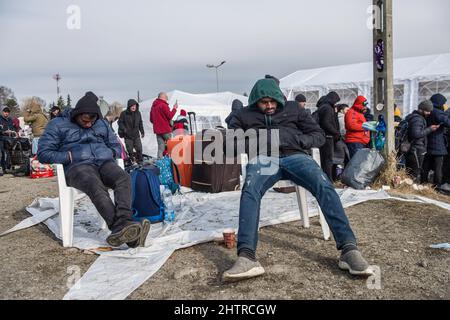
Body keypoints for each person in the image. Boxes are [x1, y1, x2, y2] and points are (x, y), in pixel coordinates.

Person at [223, 78, 374, 282]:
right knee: (250, 190)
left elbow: (318, 135)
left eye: (272, 101)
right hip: (264, 159)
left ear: (278, 98)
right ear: (255, 101)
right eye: (263, 102)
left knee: (324, 184)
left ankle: (349, 250)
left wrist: (297, 141)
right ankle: (247, 256)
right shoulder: (243, 115)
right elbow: (230, 145)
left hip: (296, 156)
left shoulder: (294, 109)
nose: (269, 106)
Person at [37, 92, 150, 248]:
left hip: (103, 163)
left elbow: (116, 146)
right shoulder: (57, 124)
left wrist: (111, 153)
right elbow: (43, 153)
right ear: (77, 114)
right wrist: (69, 156)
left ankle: (124, 223)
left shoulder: (102, 123)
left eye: (93, 120)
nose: (89, 124)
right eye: (85, 120)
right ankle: (124, 231)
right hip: (78, 167)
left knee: (123, 178)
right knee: (94, 184)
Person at [404, 100, 440, 183]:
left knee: (411, 172)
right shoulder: (418, 119)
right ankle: (412, 190)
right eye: (427, 111)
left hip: (414, 148)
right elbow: (416, 134)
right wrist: (430, 129)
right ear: (422, 109)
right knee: (414, 173)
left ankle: (410, 188)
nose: (429, 113)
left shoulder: (412, 117)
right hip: (416, 149)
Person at [422, 94, 450, 186]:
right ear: (439, 103)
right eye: (443, 103)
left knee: (425, 166)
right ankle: (437, 187)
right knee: (438, 168)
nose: (444, 105)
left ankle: (423, 184)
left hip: (428, 143)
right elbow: (447, 122)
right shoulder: (437, 112)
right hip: (437, 145)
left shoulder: (428, 111)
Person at [316, 92, 341, 181]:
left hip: (323, 137)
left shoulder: (322, 107)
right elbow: (326, 123)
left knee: (324, 160)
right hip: (328, 137)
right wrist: (336, 132)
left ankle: (325, 179)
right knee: (328, 160)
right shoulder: (327, 108)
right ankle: (328, 180)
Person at [150, 92, 178, 158]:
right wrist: (174, 108)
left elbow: (151, 119)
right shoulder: (163, 105)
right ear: (163, 97)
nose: (167, 99)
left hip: (158, 131)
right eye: (166, 98)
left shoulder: (153, 107)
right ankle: (173, 161)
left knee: (160, 148)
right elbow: (170, 116)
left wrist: (158, 123)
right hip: (165, 130)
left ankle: (160, 163)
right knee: (171, 146)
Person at [118, 99, 145, 164]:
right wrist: (124, 129)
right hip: (128, 135)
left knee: (139, 148)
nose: (133, 107)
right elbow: (120, 122)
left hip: (136, 135)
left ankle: (140, 161)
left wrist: (142, 131)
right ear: (129, 106)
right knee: (130, 150)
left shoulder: (138, 113)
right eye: (132, 106)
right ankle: (132, 161)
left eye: (135, 106)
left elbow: (140, 123)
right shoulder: (124, 113)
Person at [0, 107, 16, 176]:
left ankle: (6, 168)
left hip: (8, 139)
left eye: (7, 112)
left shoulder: (10, 120)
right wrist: (3, 132)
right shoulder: (0, 119)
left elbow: (12, 128)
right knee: (2, 153)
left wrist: (12, 131)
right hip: (1, 138)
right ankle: (2, 168)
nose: (6, 113)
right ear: (2, 112)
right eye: (5, 112)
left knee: (8, 153)